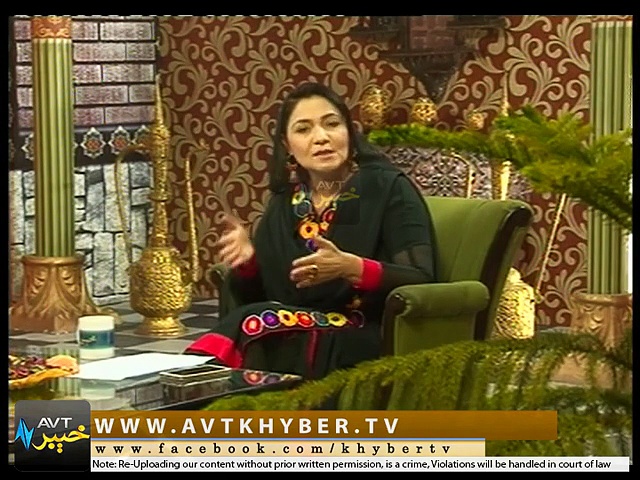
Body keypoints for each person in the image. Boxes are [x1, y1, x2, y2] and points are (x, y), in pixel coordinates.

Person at [185, 81, 437, 380]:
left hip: (363, 329)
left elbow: (422, 278)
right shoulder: (287, 202)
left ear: (349, 132)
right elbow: (267, 293)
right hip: (291, 324)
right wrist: (249, 262)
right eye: (304, 129)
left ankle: (200, 382)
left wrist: (352, 267)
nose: (321, 137)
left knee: (258, 323)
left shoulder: (385, 188)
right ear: (286, 146)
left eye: (332, 124)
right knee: (261, 322)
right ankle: (206, 390)